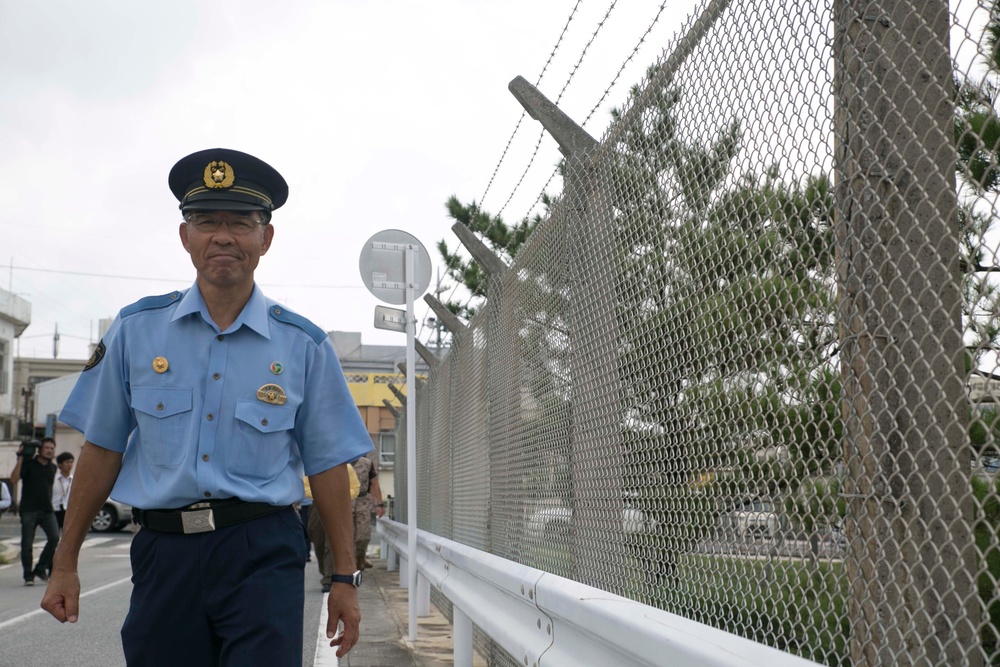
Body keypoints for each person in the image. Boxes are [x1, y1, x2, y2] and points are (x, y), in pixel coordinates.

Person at [41, 148, 374, 664]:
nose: (224, 235)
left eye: (241, 222)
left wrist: (343, 579)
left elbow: (328, 464)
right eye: (206, 221)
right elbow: (102, 449)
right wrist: (65, 561)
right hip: (164, 554)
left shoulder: (304, 345)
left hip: (262, 551)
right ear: (185, 238)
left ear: (265, 238)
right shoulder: (136, 331)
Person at [10, 438, 60, 585]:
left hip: (47, 509)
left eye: (52, 448)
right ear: (40, 449)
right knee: (27, 544)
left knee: (54, 538)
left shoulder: (52, 468)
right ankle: (28, 576)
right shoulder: (28, 464)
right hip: (28, 509)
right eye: (47, 448)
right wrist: (20, 457)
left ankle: (40, 568)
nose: (49, 450)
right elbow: (14, 479)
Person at [309, 463, 360, 592]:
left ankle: (328, 578)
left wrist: (339, 494)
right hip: (317, 504)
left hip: (338, 504)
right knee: (318, 539)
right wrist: (321, 493)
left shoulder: (346, 468)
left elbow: (355, 488)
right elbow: (305, 487)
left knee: (330, 543)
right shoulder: (312, 467)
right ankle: (324, 570)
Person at [351, 453, 383, 570]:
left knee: (363, 536)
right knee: (349, 536)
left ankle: (361, 557)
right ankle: (353, 564)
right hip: (345, 502)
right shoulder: (341, 461)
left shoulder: (367, 463)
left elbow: (374, 483)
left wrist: (380, 504)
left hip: (363, 502)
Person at [52, 452, 74, 529]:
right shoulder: (53, 479)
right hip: (56, 510)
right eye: (67, 462)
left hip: (69, 511)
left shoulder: (74, 480)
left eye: (71, 462)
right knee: (54, 536)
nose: (70, 465)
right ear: (60, 464)